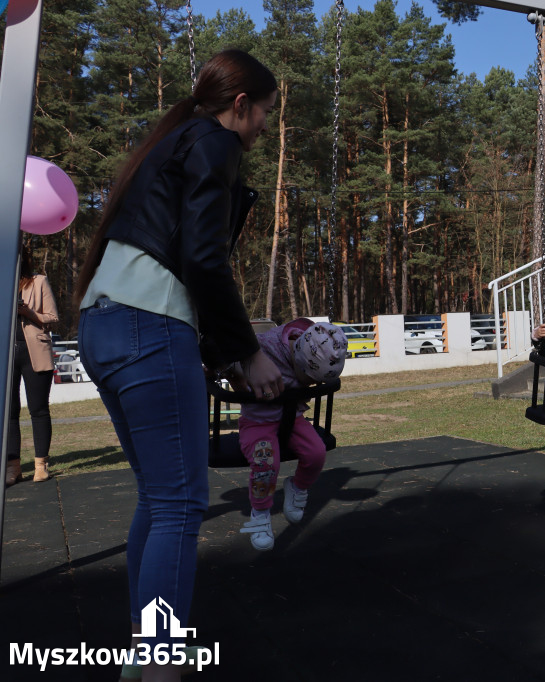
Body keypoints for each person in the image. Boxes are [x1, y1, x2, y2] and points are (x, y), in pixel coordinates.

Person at [74, 50, 281, 680]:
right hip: (149, 325)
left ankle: (144, 656)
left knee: (158, 499)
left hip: (101, 324)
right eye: (265, 114)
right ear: (240, 104)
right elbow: (203, 260)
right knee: (180, 505)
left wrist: (221, 353)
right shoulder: (215, 143)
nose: (264, 128)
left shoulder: (165, 146)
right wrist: (248, 351)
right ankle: (162, 668)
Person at [237, 319, 347, 551]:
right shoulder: (262, 349)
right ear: (298, 358)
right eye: (309, 380)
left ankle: (297, 486)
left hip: (293, 417)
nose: (309, 386)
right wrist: (219, 367)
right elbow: (234, 357)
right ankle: (260, 512)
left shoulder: (314, 342)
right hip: (258, 421)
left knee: (316, 453)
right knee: (265, 463)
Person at [6, 243, 58, 486]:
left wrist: (29, 314)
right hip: (6, 355)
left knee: (38, 410)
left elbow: (53, 319)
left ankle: (41, 465)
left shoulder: (39, 281)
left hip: (34, 351)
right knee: (9, 413)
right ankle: (13, 468)